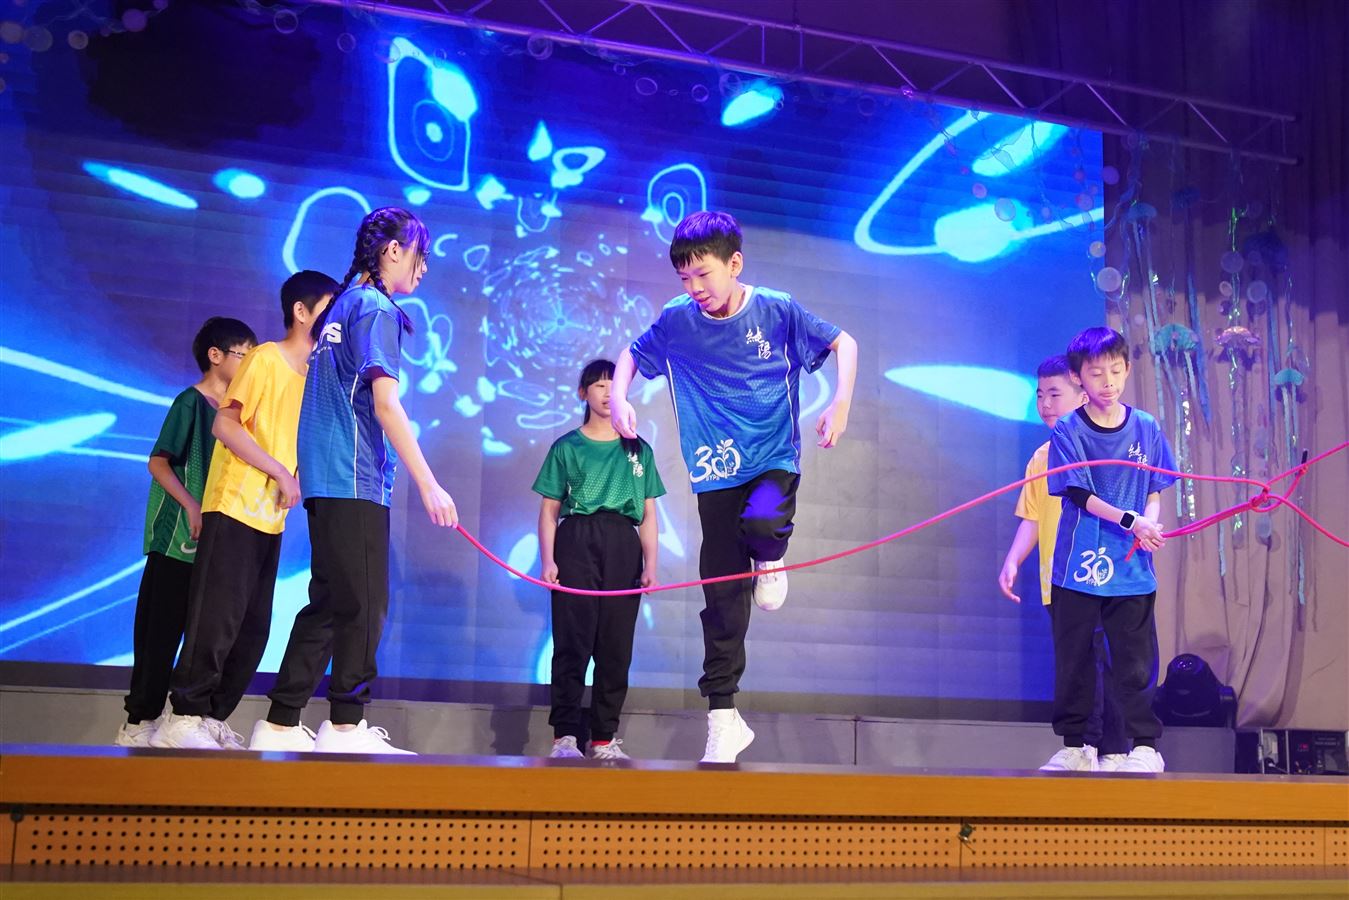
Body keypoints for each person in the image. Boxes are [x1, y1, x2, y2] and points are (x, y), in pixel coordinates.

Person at [610, 211, 858, 763]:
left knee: (764, 522)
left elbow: (845, 343)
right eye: (685, 278)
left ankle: (769, 556)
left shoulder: (776, 309)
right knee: (721, 595)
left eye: (704, 275)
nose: (694, 288)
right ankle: (723, 717)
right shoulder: (677, 320)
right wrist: (621, 396)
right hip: (714, 471)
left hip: (772, 458)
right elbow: (631, 355)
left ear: (735, 263)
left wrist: (840, 403)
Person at [251, 207, 457, 755]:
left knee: (330, 602)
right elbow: (386, 405)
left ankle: (280, 721)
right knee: (364, 605)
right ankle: (345, 725)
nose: (423, 268)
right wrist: (430, 483)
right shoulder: (375, 307)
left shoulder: (341, 305)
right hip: (353, 474)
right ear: (393, 250)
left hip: (326, 478)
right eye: (420, 255)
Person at [152, 271, 338, 750]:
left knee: (252, 630)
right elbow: (226, 426)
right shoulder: (265, 359)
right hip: (234, 505)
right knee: (216, 619)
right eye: (328, 308)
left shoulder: (315, 376)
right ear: (301, 312)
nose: (335, 319)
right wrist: (279, 472)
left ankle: (211, 717)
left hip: (270, 518)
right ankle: (182, 716)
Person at [116, 316, 257, 747]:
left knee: (209, 637)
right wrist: (191, 505)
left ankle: (191, 719)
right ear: (215, 356)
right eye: (243, 355)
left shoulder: (238, 414)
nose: (249, 364)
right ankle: (138, 721)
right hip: (178, 538)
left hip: (217, 541)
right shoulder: (190, 403)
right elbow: (158, 462)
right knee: (160, 632)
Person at [1044, 327, 1178, 774]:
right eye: (1097, 373)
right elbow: (1078, 493)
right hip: (1079, 566)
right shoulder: (1068, 429)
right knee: (1076, 658)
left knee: (1134, 660)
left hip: (1131, 566)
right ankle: (1077, 746)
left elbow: (1155, 486)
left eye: (1116, 371)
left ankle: (1145, 746)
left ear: (1127, 370)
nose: (1108, 382)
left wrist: (1149, 522)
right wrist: (1130, 521)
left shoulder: (1146, 427)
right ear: (1078, 377)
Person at [998, 354, 1128, 771]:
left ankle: (1100, 746)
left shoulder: (1103, 449)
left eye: (1055, 394)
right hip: (1057, 580)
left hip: (1097, 574)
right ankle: (1096, 747)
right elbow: (1033, 517)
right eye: (1040, 395)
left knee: (1098, 660)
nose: (1045, 404)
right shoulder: (1041, 456)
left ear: (1082, 395)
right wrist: (1013, 560)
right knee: (1075, 663)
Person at [533, 359, 665, 761]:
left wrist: (651, 565)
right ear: (583, 393)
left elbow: (648, 514)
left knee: (615, 645)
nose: (608, 393)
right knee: (572, 643)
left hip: (622, 544)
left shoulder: (638, 448)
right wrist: (548, 560)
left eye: (614, 385)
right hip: (577, 540)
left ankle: (604, 737)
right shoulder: (566, 447)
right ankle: (565, 736)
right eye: (599, 385)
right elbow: (549, 511)